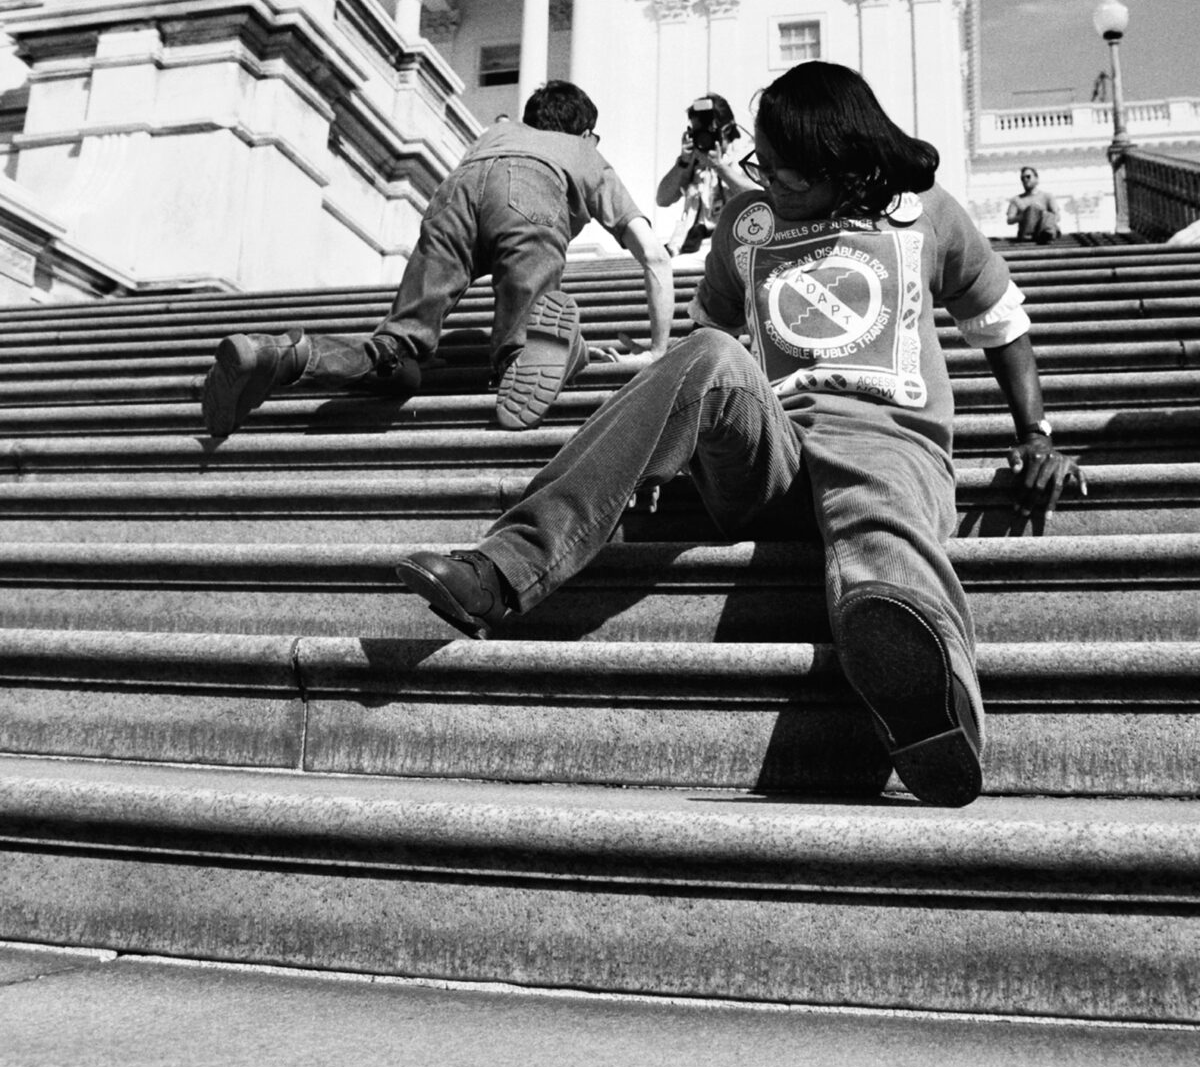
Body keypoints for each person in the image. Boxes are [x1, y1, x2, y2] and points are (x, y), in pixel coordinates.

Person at [396, 61, 1085, 809]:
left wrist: (1037, 435)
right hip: (774, 454)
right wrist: (660, 452)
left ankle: (930, 709)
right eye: (763, 163)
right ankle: (504, 568)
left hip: (888, 442)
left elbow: (1003, 325)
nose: (768, 182)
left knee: (883, 535)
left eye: (789, 174)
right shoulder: (745, 223)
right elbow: (707, 348)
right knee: (709, 353)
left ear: (847, 166)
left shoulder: (922, 215)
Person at [202, 80, 674, 438]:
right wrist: (657, 349)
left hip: (455, 195)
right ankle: (539, 350)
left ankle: (278, 354)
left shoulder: (495, 135)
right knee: (523, 342)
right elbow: (654, 257)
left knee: (395, 354)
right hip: (532, 196)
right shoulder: (582, 152)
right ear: (589, 134)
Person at [656, 94, 755, 254]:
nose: (703, 138)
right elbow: (662, 199)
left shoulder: (745, 156)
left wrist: (720, 168)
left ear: (727, 129)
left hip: (732, 246)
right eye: (697, 132)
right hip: (690, 246)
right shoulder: (693, 161)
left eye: (708, 132)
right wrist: (683, 163)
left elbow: (759, 197)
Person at [1007, 166, 1060, 244]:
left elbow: (1057, 216)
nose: (1025, 180)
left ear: (1036, 178)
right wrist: (1024, 215)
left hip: (1045, 229)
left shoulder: (1047, 196)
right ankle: (1045, 233)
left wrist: (1041, 214)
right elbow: (1009, 220)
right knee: (1032, 209)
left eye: (1028, 177)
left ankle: (1046, 233)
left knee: (1047, 215)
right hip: (1027, 233)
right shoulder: (1016, 199)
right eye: (1022, 178)